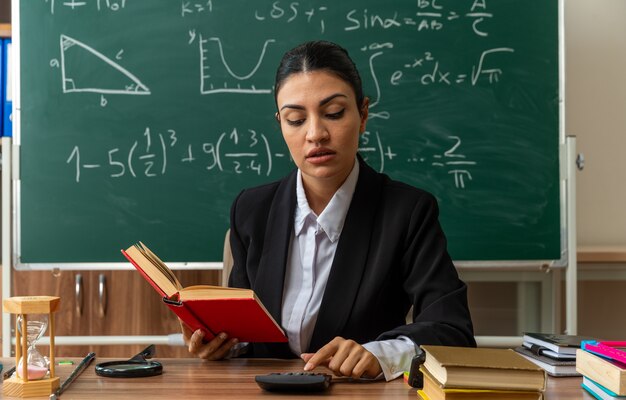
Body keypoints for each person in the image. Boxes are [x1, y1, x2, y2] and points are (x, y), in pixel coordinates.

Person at [181, 40, 475, 381]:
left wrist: (378, 354)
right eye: (295, 119)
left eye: (334, 113)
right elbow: (246, 338)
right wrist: (219, 343)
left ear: (363, 114)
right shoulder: (251, 210)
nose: (315, 134)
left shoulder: (407, 212)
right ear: (280, 124)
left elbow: (453, 331)